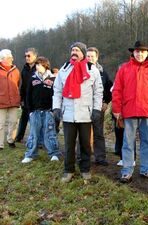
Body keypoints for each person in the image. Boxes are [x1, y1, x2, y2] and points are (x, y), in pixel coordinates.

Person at [52, 42, 103, 182]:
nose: (74, 52)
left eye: (77, 50)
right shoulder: (64, 69)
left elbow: (98, 92)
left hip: (86, 114)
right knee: (69, 144)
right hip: (68, 113)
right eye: (72, 50)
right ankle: (68, 170)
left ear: (83, 53)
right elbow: (57, 91)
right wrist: (56, 107)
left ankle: (85, 169)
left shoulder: (92, 69)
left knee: (85, 143)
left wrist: (97, 109)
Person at [112, 40, 148, 183]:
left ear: (147, 53)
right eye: (137, 51)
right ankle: (127, 171)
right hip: (129, 110)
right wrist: (116, 109)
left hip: (147, 110)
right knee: (128, 142)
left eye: (142, 51)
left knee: (147, 141)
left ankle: (146, 169)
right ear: (133, 52)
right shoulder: (124, 68)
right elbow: (117, 90)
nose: (140, 54)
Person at [21, 57, 61, 163]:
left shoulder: (53, 79)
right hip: (35, 112)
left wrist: (54, 110)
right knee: (33, 133)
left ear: (45, 65)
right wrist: (30, 111)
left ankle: (54, 154)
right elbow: (28, 95)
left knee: (50, 133)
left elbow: (57, 95)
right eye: (36, 65)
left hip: (48, 111)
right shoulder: (33, 78)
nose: (36, 66)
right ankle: (30, 154)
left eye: (38, 64)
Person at [86, 47, 113, 166]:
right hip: (83, 107)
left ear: (97, 57)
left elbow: (110, 89)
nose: (90, 58)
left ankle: (100, 157)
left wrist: (106, 102)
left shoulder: (103, 73)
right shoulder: (80, 70)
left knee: (98, 133)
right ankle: (82, 156)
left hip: (98, 107)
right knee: (83, 133)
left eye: (92, 56)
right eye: (88, 56)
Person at [15, 48, 38, 143]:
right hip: (26, 98)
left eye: (29, 55)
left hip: (36, 98)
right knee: (23, 118)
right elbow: (23, 85)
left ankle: (37, 140)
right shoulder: (24, 68)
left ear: (35, 56)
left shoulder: (39, 67)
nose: (27, 58)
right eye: (25, 56)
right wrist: (21, 98)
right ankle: (19, 137)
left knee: (35, 121)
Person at [0, 49, 21, 150]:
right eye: (9, 57)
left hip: (14, 101)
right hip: (1, 102)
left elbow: (18, 84)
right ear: (3, 59)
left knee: (13, 122)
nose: (12, 59)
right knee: (0, 124)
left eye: (11, 57)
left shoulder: (16, 70)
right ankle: (0, 144)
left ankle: (10, 140)